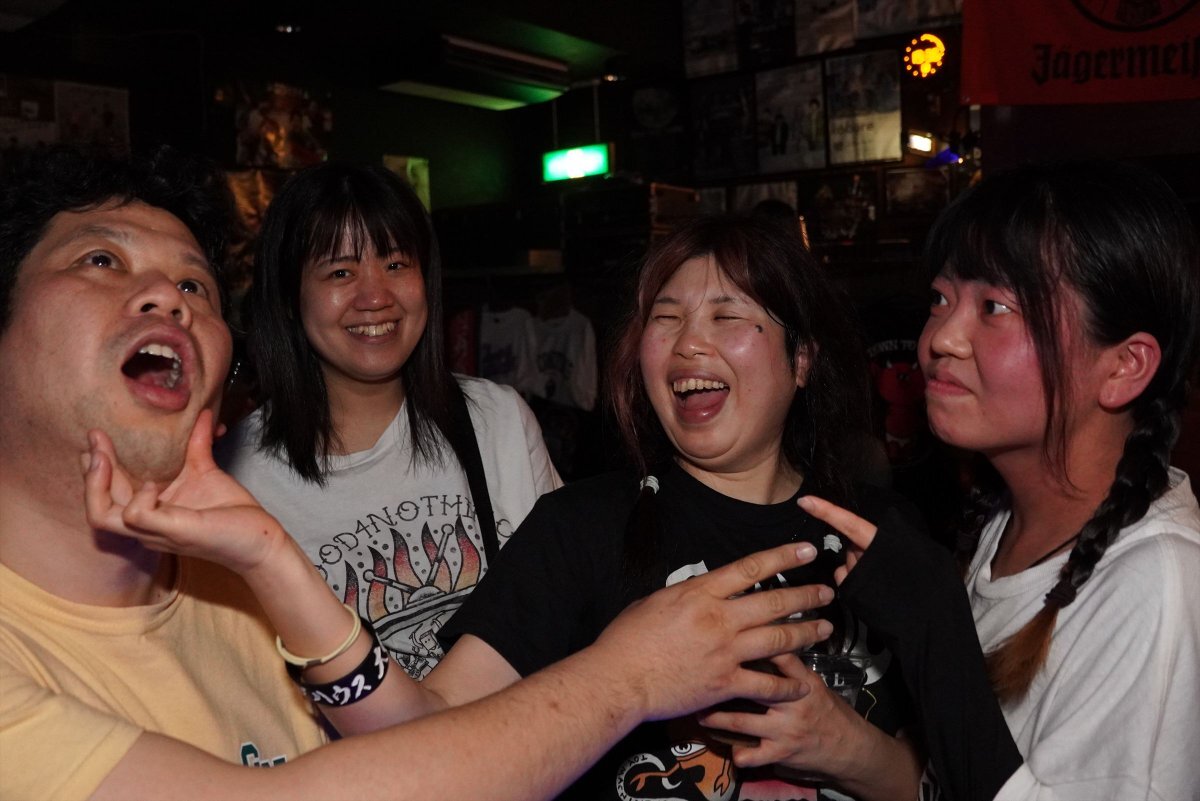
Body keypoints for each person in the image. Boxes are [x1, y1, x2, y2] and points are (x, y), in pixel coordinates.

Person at [0, 147, 850, 800]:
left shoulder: (226, 584)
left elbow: (414, 721)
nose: (167, 296)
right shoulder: (239, 491)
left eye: (195, 283)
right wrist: (630, 677)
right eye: (100, 261)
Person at [430, 215, 926, 800]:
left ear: (801, 360)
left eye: (727, 315)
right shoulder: (579, 529)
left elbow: (966, 777)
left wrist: (854, 750)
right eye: (666, 318)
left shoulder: (883, 533)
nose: (688, 343)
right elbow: (436, 736)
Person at [793, 161, 1200, 800]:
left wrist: (934, 631)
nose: (942, 339)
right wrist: (839, 742)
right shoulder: (1004, 525)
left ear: (1123, 366)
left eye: (994, 307)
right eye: (940, 299)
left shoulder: (1157, 584)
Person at [217, 162, 560, 679]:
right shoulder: (236, 477)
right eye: (340, 272)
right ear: (289, 298)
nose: (376, 296)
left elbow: (568, 605)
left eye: (396, 264)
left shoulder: (497, 420)